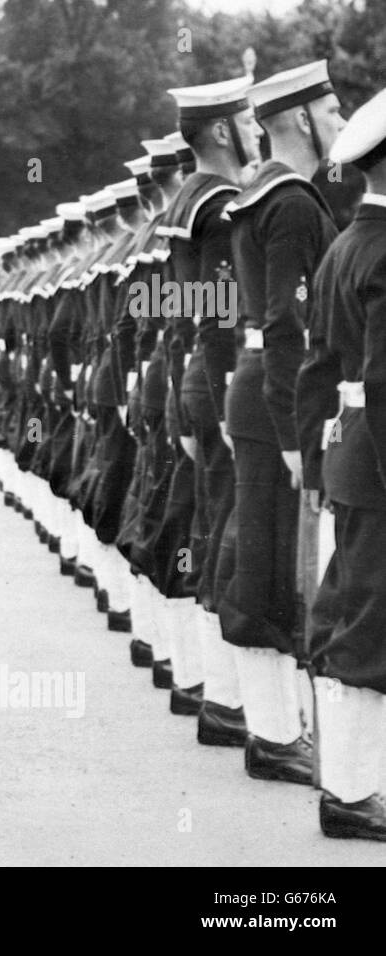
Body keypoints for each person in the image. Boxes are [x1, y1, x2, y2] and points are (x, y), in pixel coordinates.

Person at [218, 60, 342, 784]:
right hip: (279, 397)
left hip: (262, 389)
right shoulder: (292, 202)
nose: (337, 124)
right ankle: (270, 735)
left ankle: (275, 725)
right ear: (297, 119)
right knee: (266, 566)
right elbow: (291, 322)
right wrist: (300, 432)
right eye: (330, 111)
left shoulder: (262, 194)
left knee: (262, 557)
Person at [297, 86, 386, 839]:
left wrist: (317, 460)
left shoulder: (343, 246)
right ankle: (352, 793)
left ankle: (352, 783)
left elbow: (316, 370)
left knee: (355, 610)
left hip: (353, 455)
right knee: (367, 621)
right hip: (379, 460)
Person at [162, 76, 259, 745]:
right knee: (228, 530)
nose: (257, 131)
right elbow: (222, 314)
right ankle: (226, 701)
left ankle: (210, 688)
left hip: (194, 377)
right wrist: (229, 395)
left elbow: (178, 313)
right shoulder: (223, 204)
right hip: (220, 376)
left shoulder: (186, 197)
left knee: (209, 526)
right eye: (249, 120)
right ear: (223, 130)